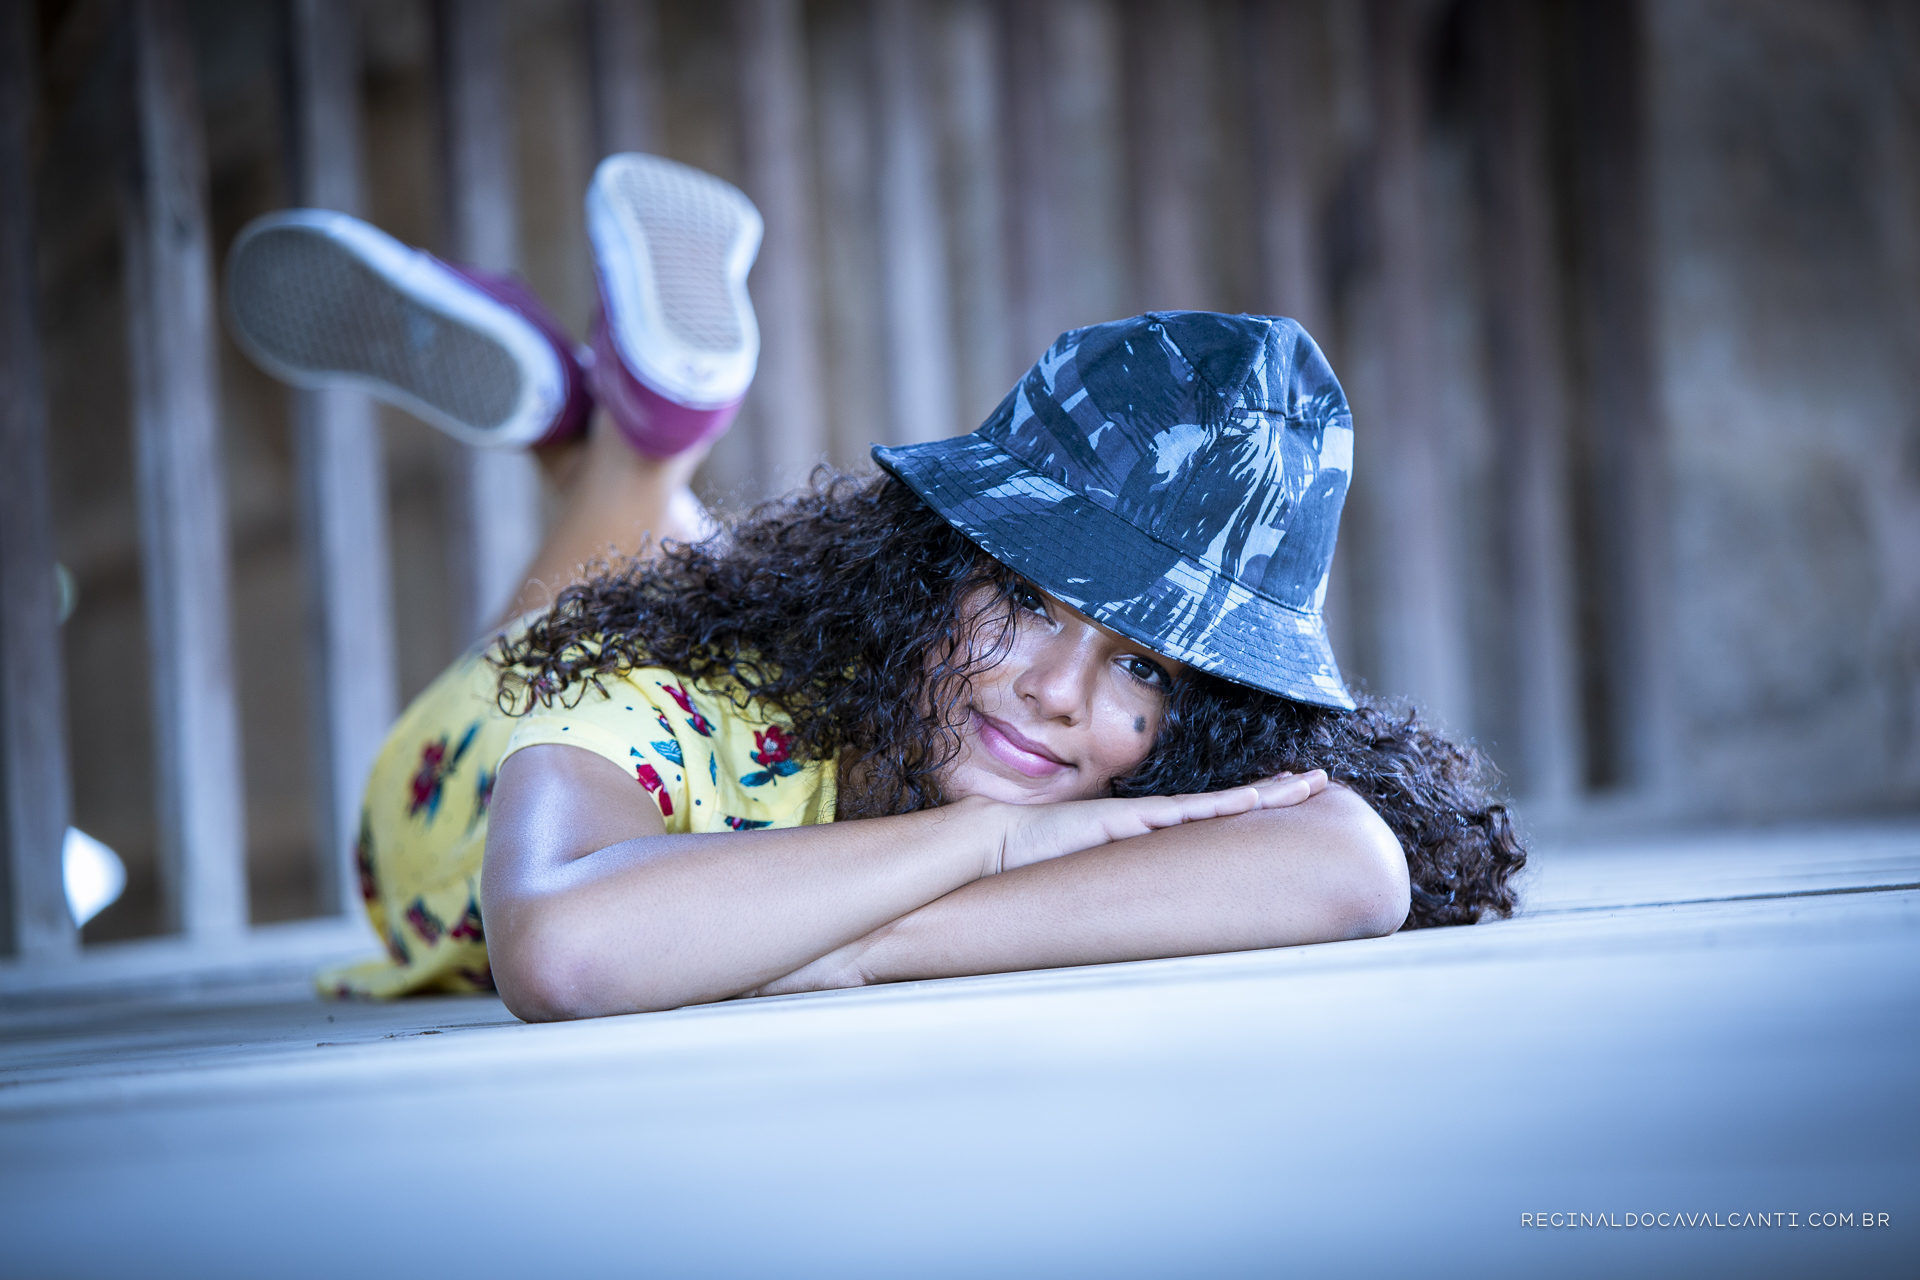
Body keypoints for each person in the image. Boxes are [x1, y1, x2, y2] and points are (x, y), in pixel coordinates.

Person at [225, 153, 1525, 1021]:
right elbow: (567, 949)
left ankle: (607, 433)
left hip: (756, 637)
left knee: (672, 558)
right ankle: (636, 445)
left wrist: (852, 942)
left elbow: (1351, 865)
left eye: (1146, 663)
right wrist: (995, 847)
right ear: (933, 568)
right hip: (470, 754)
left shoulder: (1078, 754)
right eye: (1028, 599)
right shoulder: (656, 705)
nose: (1059, 693)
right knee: (590, 609)